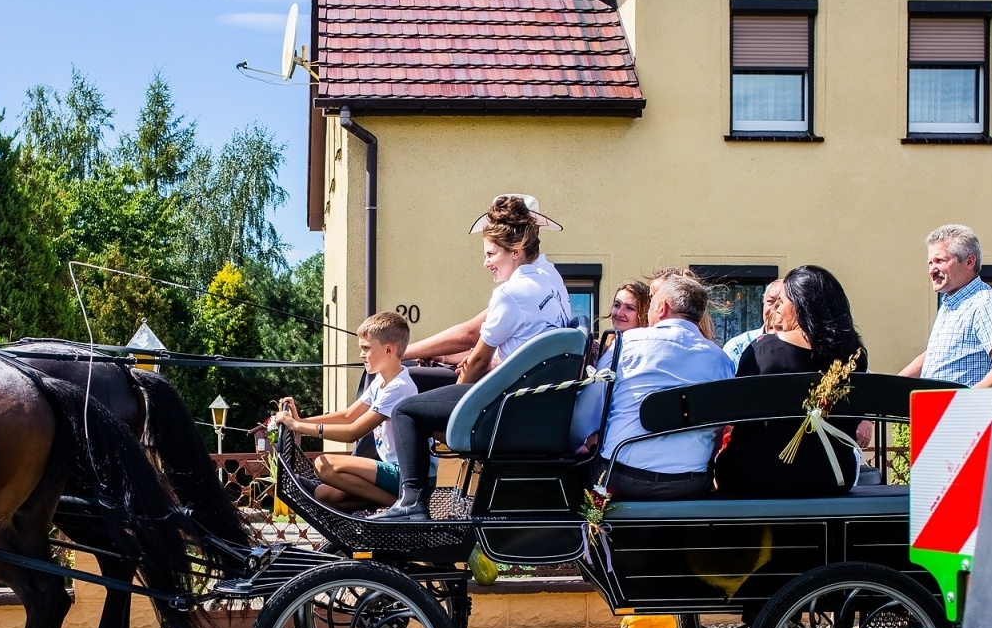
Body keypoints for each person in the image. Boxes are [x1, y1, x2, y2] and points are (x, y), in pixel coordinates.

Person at [376, 194, 571, 519]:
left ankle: (411, 503)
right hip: (541, 404)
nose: (486, 263)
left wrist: (457, 417)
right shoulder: (551, 278)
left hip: (510, 407)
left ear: (516, 251)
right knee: (432, 396)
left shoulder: (510, 293)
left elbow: (478, 357)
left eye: (491, 254)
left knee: (404, 410)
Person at [714, 265, 869, 498]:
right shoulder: (854, 356)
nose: (777, 310)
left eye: (782, 302)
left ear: (798, 307)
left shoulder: (763, 350)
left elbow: (737, 416)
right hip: (831, 476)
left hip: (756, 476)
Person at [595, 273, 735, 500]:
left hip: (621, 476)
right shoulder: (721, 360)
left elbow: (592, 410)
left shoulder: (626, 344)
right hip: (689, 481)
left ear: (662, 307)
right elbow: (720, 426)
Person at [273, 312, 416, 511]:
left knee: (324, 465)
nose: (361, 354)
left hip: (408, 474)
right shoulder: (381, 382)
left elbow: (354, 431)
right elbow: (348, 415)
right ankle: (392, 503)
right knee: (324, 493)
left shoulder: (399, 387)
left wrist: (299, 427)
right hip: (392, 470)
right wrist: (301, 420)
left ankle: (404, 505)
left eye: (366, 348)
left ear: (388, 350)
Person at [898, 224, 992, 387]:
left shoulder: (985, 302)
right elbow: (935, 356)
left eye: (940, 260)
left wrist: (961, 405)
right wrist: (889, 386)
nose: (932, 270)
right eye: (930, 263)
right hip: (936, 411)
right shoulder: (951, 304)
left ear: (969, 262)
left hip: (963, 411)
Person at [721, 279, 786, 368]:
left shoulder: (802, 346)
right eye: (771, 301)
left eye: (782, 302)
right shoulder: (738, 347)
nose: (776, 308)